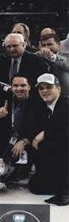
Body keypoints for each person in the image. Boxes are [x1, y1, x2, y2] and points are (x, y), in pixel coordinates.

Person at [29, 74, 68, 205]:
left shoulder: (66, 104)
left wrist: (43, 134)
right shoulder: (43, 108)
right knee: (34, 186)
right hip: (56, 161)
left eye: (49, 87)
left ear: (59, 89)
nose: (44, 91)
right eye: (41, 88)